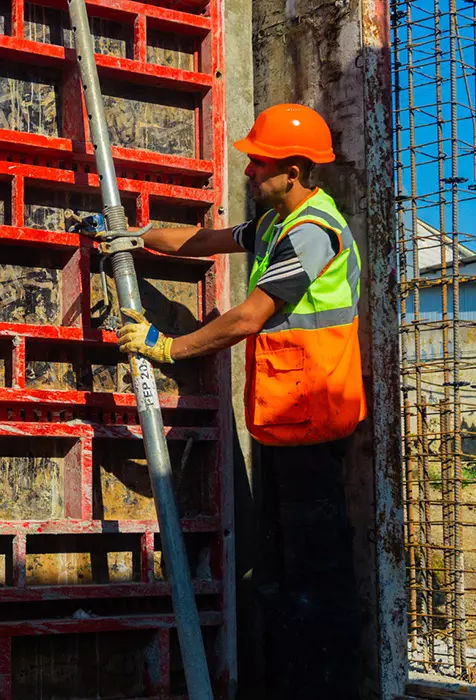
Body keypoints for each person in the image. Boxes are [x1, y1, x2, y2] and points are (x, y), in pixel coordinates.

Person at [90, 103, 366, 696]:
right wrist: (133, 236)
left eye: (258, 163)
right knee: (282, 572)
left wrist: (168, 347)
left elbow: (248, 317)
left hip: (314, 427)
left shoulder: (313, 232)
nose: (247, 173)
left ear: (293, 170)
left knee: (316, 581)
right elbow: (204, 239)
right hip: (284, 423)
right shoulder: (273, 224)